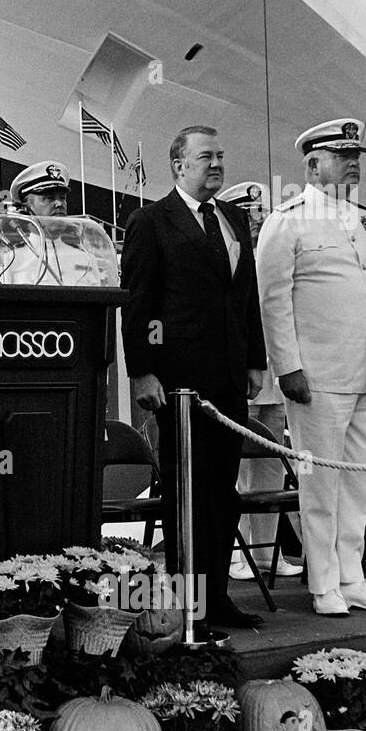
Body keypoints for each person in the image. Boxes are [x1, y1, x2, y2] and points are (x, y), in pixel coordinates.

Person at [256, 118, 366, 616]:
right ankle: (323, 586)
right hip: (316, 378)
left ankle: (352, 576)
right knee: (318, 482)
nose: (354, 164)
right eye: (344, 157)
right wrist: (287, 367)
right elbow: (272, 300)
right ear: (314, 164)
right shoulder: (289, 218)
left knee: (358, 482)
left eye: (356, 157)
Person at [120, 125, 266, 632]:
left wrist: (255, 360)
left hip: (227, 380)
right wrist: (141, 371)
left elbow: (245, 298)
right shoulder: (151, 221)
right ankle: (191, 608)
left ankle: (219, 597)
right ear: (179, 165)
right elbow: (137, 305)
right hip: (180, 385)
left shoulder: (232, 220)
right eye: (206, 156)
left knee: (223, 494)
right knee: (188, 496)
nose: (217, 164)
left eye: (221, 155)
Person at [219, 181, 303, 581]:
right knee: (234, 467)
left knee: (271, 465)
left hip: (271, 372)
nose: (256, 218)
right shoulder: (231, 257)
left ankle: (266, 552)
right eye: (248, 211)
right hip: (240, 373)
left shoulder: (272, 255)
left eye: (259, 211)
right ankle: (236, 554)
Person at [0, 160, 112, 286]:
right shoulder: (10, 260)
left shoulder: (85, 258)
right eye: (49, 198)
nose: (59, 204)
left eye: (62, 198)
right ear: (26, 208)